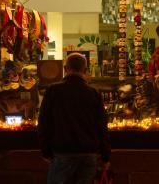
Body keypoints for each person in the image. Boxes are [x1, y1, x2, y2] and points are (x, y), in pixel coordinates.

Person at [37, 52, 111, 184]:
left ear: (65, 69)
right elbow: (101, 126)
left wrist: (45, 151)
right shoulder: (93, 93)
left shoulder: (53, 91)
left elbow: (43, 123)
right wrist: (105, 156)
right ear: (85, 70)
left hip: (62, 152)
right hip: (88, 153)